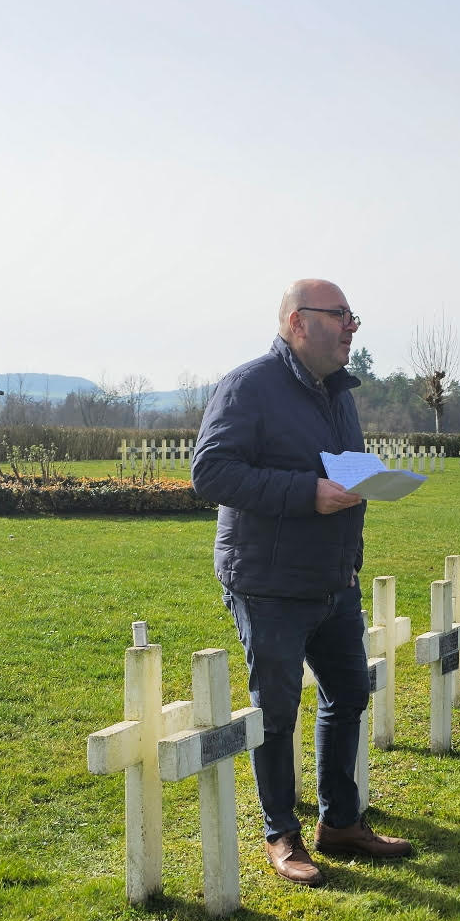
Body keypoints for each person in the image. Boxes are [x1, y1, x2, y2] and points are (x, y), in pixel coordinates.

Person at [190, 278, 414, 887]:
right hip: (268, 580)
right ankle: (280, 833)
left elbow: (335, 468)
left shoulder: (337, 393)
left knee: (348, 695)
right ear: (296, 322)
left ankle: (341, 821)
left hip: (333, 577)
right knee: (278, 711)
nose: (351, 327)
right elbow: (210, 472)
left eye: (353, 317)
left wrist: (370, 481)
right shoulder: (249, 386)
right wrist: (306, 493)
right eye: (340, 315)